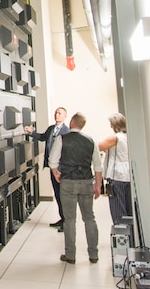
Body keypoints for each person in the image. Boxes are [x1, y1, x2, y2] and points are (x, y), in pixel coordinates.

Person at [49, 112, 102, 264]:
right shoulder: (91, 141)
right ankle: (93, 254)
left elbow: (52, 160)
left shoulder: (62, 138)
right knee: (89, 218)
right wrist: (97, 185)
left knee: (70, 220)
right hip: (86, 182)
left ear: (71, 122)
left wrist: (56, 173)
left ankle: (70, 255)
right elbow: (98, 166)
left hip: (68, 183)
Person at [25, 107, 69, 230]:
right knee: (57, 193)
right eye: (56, 113)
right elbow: (42, 137)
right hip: (51, 167)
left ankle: (67, 222)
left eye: (60, 113)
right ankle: (62, 219)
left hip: (61, 168)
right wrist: (31, 132)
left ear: (65, 116)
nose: (57, 115)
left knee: (63, 194)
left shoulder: (66, 131)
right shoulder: (51, 129)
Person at [98, 112, 132, 223]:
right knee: (129, 208)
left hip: (117, 176)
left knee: (118, 210)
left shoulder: (115, 137)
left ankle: (121, 234)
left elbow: (99, 146)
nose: (111, 127)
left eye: (111, 124)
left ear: (116, 125)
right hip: (128, 176)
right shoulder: (129, 136)